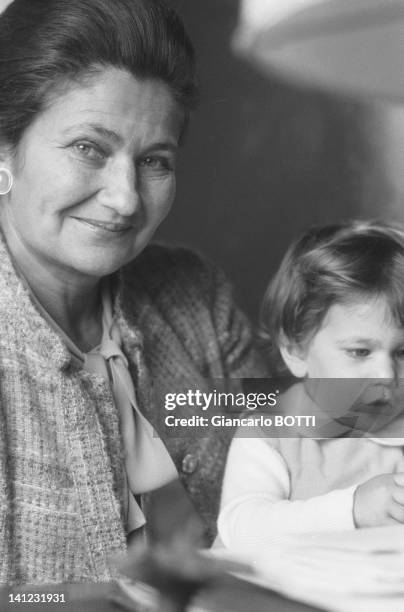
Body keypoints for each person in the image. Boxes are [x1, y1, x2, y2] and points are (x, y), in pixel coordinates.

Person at [0, 0, 266, 584]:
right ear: (5, 149)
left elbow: (290, 429)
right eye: (89, 147)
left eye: (154, 160)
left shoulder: (192, 295)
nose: (125, 197)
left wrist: (374, 397)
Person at [218, 220, 404, 551]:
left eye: (402, 352)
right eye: (359, 352)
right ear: (296, 351)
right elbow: (241, 529)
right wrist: (353, 510)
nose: (387, 374)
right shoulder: (271, 434)